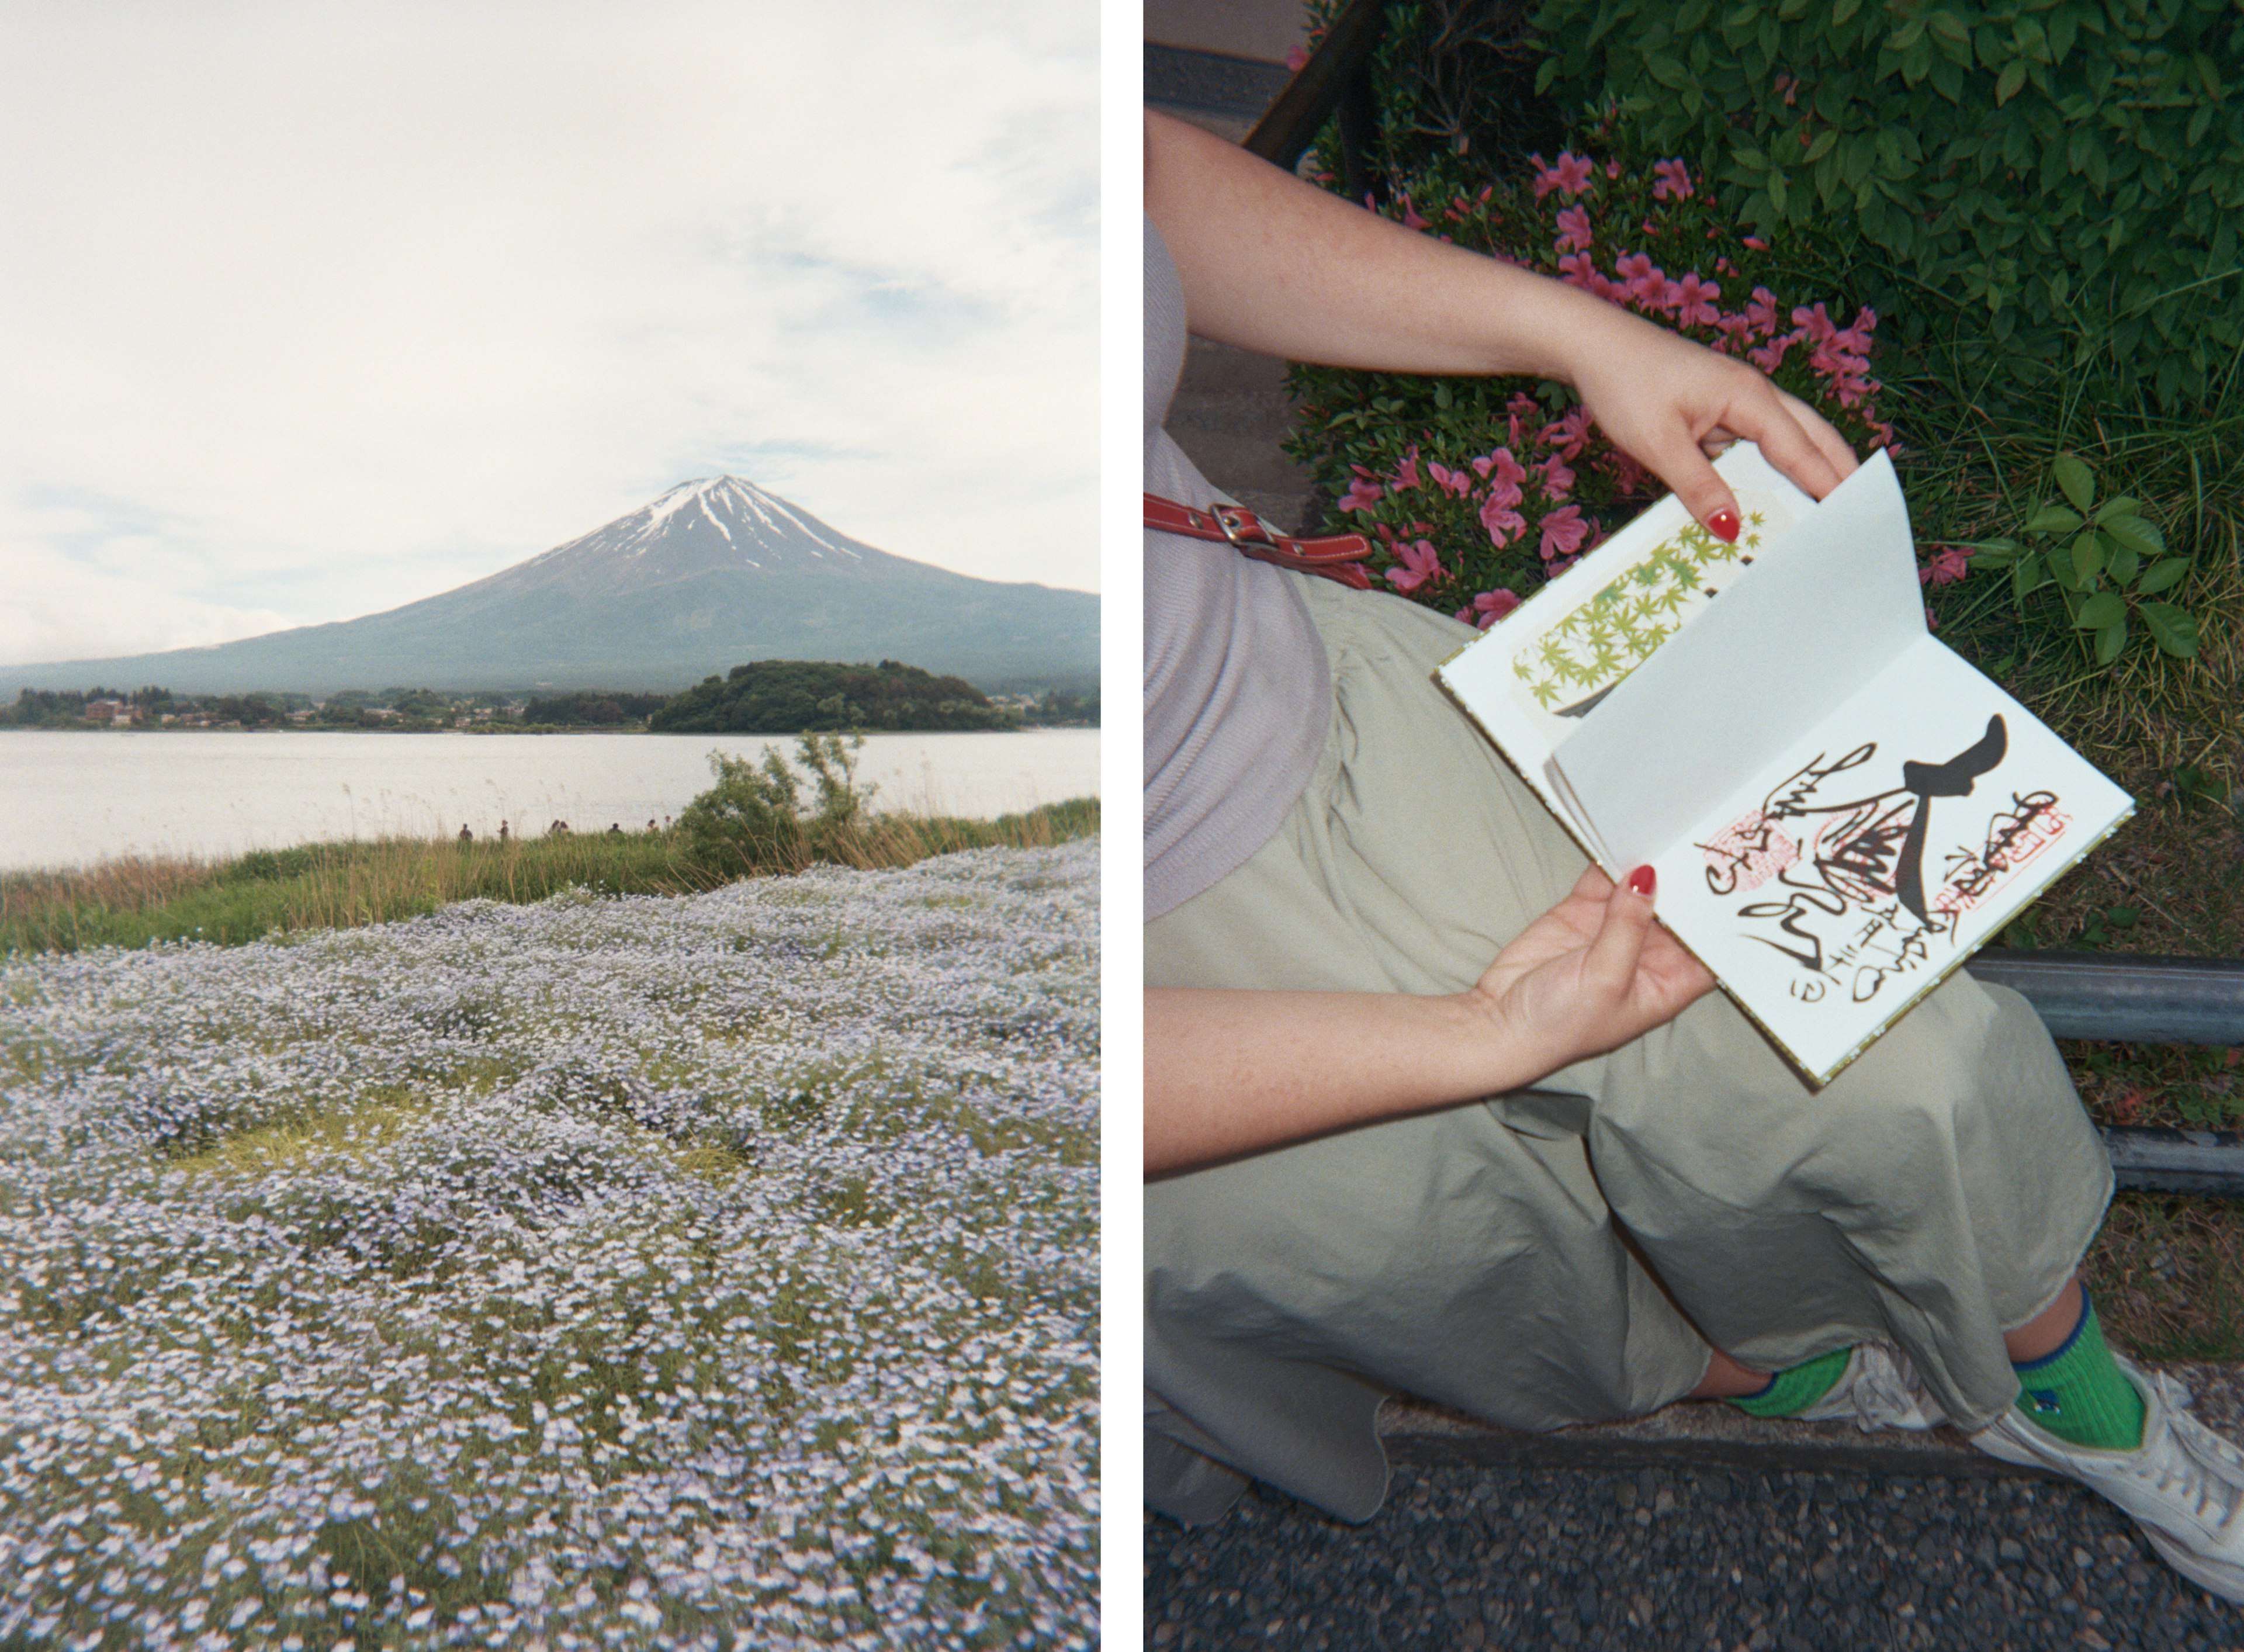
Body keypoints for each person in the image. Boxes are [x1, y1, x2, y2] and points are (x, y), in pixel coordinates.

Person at [1141, 107, 2244, 1600]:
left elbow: (1136, 178)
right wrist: (1471, 1037)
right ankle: (1784, 1375)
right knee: (1450, 1258)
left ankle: (2080, 1404)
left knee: (1882, 1058)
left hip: (1320, 705)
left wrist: (1573, 331)